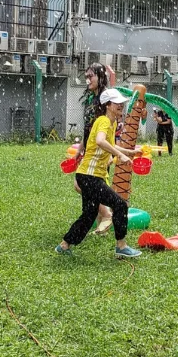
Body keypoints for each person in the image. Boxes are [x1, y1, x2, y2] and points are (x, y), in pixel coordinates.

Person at [56, 89, 141, 258]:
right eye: (117, 103)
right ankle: (121, 246)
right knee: (120, 205)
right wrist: (120, 155)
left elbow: (110, 144)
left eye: (122, 103)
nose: (121, 106)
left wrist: (129, 152)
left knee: (89, 214)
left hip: (89, 176)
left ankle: (64, 245)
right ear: (107, 105)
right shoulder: (103, 120)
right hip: (89, 176)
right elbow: (100, 141)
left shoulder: (112, 123)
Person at [76, 63, 113, 234]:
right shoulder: (91, 98)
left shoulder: (105, 100)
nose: (87, 80)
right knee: (92, 187)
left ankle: (106, 214)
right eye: (86, 76)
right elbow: (88, 128)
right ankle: (99, 223)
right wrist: (80, 148)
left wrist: (111, 152)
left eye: (91, 76)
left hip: (99, 151)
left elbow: (108, 127)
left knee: (83, 185)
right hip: (90, 148)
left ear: (100, 77)